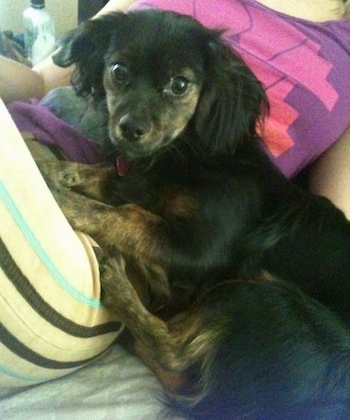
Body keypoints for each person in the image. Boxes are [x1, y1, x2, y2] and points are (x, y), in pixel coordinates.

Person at [0, 0, 349, 388]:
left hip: (172, 278)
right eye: (121, 73)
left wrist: (76, 209)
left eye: (178, 86)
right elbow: (41, 79)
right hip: (39, 131)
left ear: (212, 95)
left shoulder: (224, 179)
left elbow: (201, 249)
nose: (136, 116)